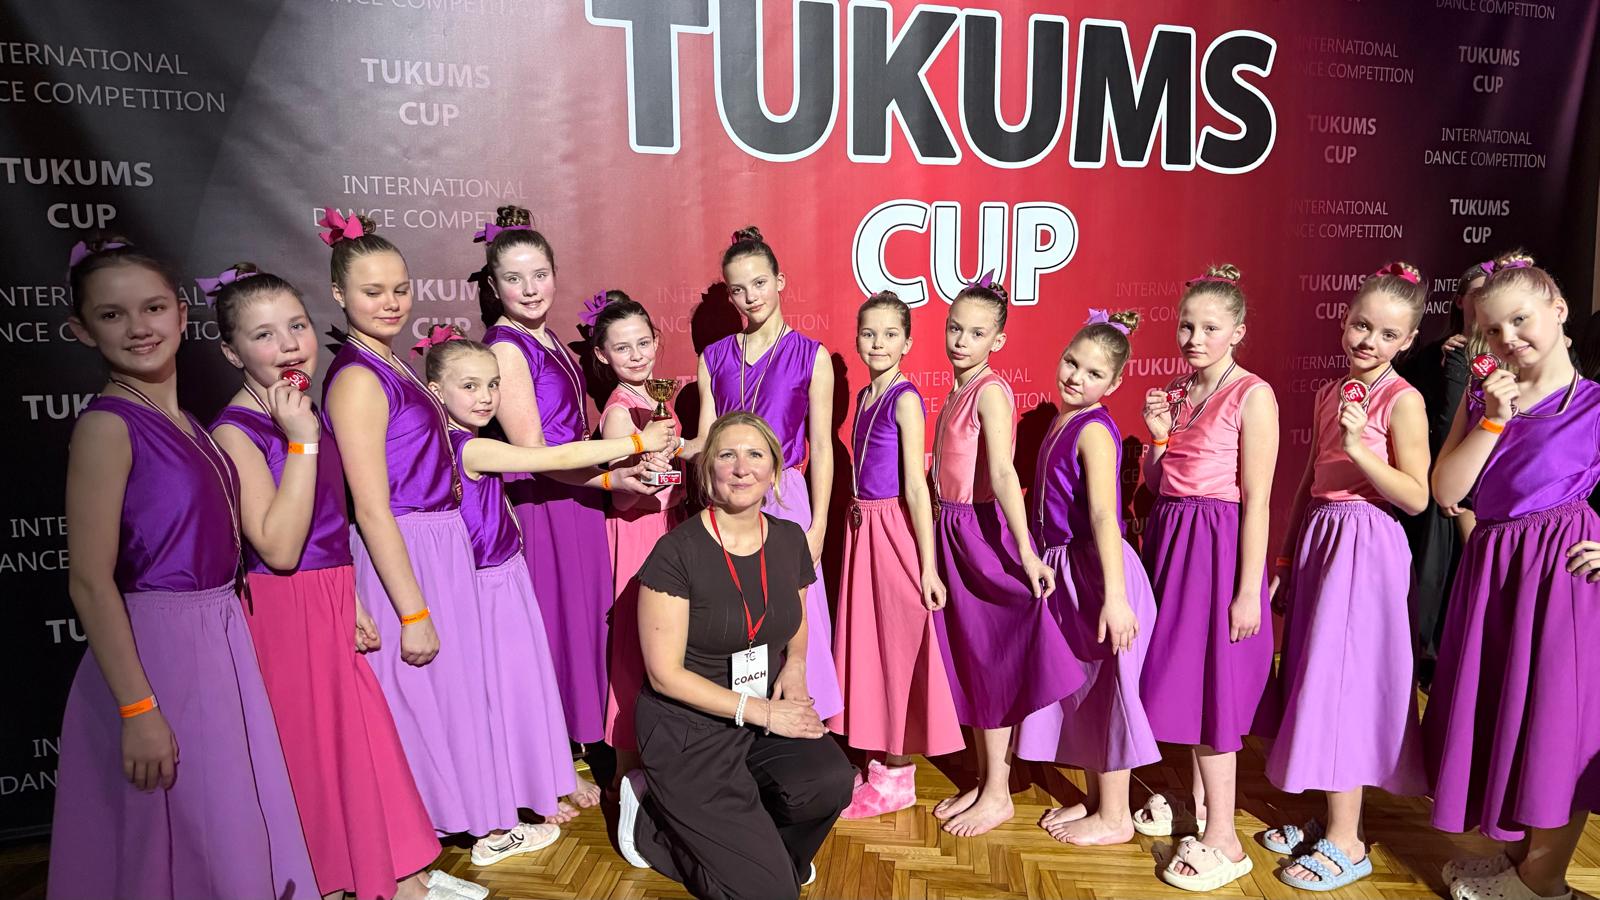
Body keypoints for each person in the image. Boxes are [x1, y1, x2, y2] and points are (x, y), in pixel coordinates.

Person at [49, 237, 317, 900]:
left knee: (226, 832)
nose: (139, 327)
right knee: (180, 840)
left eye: (152, 307)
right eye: (112, 315)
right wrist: (138, 708)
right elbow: (89, 581)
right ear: (82, 330)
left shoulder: (189, 421)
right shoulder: (107, 427)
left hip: (219, 640)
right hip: (160, 656)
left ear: (180, 313)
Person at [207, 263, 459, 899]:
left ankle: (386, 874)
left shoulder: (303, 411)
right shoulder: (235, 431)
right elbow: (278, 547)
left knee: (359, 740)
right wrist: (300, 443)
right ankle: (335, 881)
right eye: (264, 335)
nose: (289, 344)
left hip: (328, 593)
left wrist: (350, 601)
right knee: (313, 752)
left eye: (296, 326)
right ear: (232, 352)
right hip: (283, 607)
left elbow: (329, 519)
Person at [318, 210, 538, 873]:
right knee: (413, 698)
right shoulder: (358, 377)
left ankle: (452, 833)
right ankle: (408, 859)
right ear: (339, 294)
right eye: (372, 291)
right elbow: (371, 506)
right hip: (406, 552)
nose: (390, 302)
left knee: (449, 698)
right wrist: (412, 611)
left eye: (400, 288)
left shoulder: (392, 364)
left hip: (440, 546)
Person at [420, 329, 673, 862]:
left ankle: (540, 784)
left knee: (523, 682)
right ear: (437, 391)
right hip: (486, 583)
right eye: (470, 386)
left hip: (504, 571)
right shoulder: (469, 445)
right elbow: (549, 457)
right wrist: (635, 445)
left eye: (493, 385)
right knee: (504, 688)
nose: (487, 398)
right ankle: (512, 803)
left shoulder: (465, 439)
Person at [617, 412, 855, 900]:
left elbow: (797, 619)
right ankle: (649, 825)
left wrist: (795, 665)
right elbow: (664, 676)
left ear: (774, 471)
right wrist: (764, 712)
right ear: (708, 471)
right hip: (688, 729)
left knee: (829, 781)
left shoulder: (789, 539)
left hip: (758, 714)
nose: (742, 468)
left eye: (755, 455)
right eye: (727, 455)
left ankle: (773, 860)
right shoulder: (676, 553)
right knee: (771, 895)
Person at [1427, 252, 1600, 900]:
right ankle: (1521, 860)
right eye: (1492, 329)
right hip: (1496, 574)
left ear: (1559, 309)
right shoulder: (1484, 399)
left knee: (1557, 727)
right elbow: (1447, 491)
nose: (1508, 338)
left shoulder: (1594, 405)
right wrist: (1492, 420)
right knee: (1513, 716)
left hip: (1562, 580)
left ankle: (1543, 880)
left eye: (1521, 319)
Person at [1261, 262, 1430, 890]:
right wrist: (1285, 557)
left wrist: (1361, 448)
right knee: (1317, 678)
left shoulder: (1404, 400)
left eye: (1387, 334)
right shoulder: (1330, 391)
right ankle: (1332, 816)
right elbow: (1311, 476)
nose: (1369, 341)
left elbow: (1417, 497)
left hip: (1368, 542)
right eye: (1362, 325)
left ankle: (1348, 841)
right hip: (1322, 540)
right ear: (1344, 319)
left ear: (1408, 340)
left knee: (1346, 687)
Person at [1136, 263, 1278, 891]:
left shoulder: (1253, 394)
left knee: (1213, 690)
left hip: (1216, 547)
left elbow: (1258, 499)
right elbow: (1157, 483)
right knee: (1186, 685)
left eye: (1210, 328)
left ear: (1238, 331)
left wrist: (1249, 591)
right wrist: (1158, 439)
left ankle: (1225, 838)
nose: (1194, 338)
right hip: (1172, 538)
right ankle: (1195, 810)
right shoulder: (1177, 390)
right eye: (1186, 326)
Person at [928, 275, 1085, 838]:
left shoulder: (990, 391)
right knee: (972, 662)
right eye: (955, 328)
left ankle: (998, 792)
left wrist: (1026, 553)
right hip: (951, 528)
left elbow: (1001, 473)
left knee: (990, 663)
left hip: (978, 535)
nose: (960, 340)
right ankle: (986, 780)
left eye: (976, 333)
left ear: (998, 340)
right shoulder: (957, 388)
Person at [479, 206, 613, 812]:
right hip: (544, 502)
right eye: (514, 278)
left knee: (581, 623)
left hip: (575, 495)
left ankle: (576, 744)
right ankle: (549, 765)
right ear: (493, 286)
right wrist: (614, 472)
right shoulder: (507, 347)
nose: (530, 289)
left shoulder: (546, 336)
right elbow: (533, 451)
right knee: (552, 629)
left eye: (540, 275)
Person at [1015, 310, 1162, 847]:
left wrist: (1116, 599)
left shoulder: (1095, 430)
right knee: (1087, 688)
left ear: (1115, 384)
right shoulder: (1062, 419)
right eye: (1071, 362)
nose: (1076, 377)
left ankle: (1116, 815)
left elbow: (1104, 515)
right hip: (1068, 570)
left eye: (1094, 373)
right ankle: (1099, 801)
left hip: (1099, 574)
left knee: (1110, 688)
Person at [696, 226, 842, 718]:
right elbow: (705, 441)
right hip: (728, 498)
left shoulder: (811, 355)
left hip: (786, 496)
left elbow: (822, 448)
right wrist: (656, 447)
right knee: (736, 612)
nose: (750, 296)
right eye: (738, 288)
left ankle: (806, 718)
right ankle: (743, 717)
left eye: (759, 283)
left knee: (797, 612)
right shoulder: (713, 357)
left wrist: (818, 526)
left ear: (780, 281)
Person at [828, 291, 962, 818]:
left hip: (891, 529)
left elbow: (915, 487)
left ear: (907, 342)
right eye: (868, 333)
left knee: (900, 647)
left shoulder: (904, 399)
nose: (878, 343)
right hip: (861, 528)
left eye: (889, 334)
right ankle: (878, 759)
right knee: (871, 644)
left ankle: (898, 774)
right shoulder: (865, 395)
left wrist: (927, 566)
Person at [587, 292, 692, 784]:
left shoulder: (655, 397)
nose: (636, 355)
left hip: (669, 528)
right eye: (622, 348)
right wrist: (643, 481)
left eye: (643, 343)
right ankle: (627, 774)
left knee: (666, 647)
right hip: (638, 534)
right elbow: (624, 500)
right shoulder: (619, 412)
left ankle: (663, 759)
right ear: (602, 355)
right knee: (636, 648)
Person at [1396, 259, 1490, 688]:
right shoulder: (1445, 355)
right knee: (1437, 572)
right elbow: (1445, 421)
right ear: (1460, 301)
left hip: (1487, 483)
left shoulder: (1508, 360)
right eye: (1478, 294)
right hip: (1445, 485)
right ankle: (1428, 659)